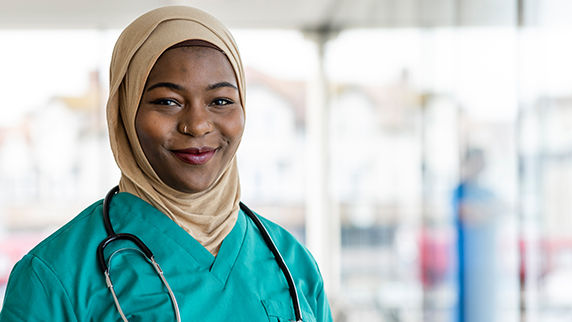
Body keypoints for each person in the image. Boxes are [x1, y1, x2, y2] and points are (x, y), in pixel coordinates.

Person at [0, 6, 332, 322]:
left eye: (221, 101)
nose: (197, 125)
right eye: (168, 101)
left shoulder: (292, 262)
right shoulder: (52, 275)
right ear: (125, 112)